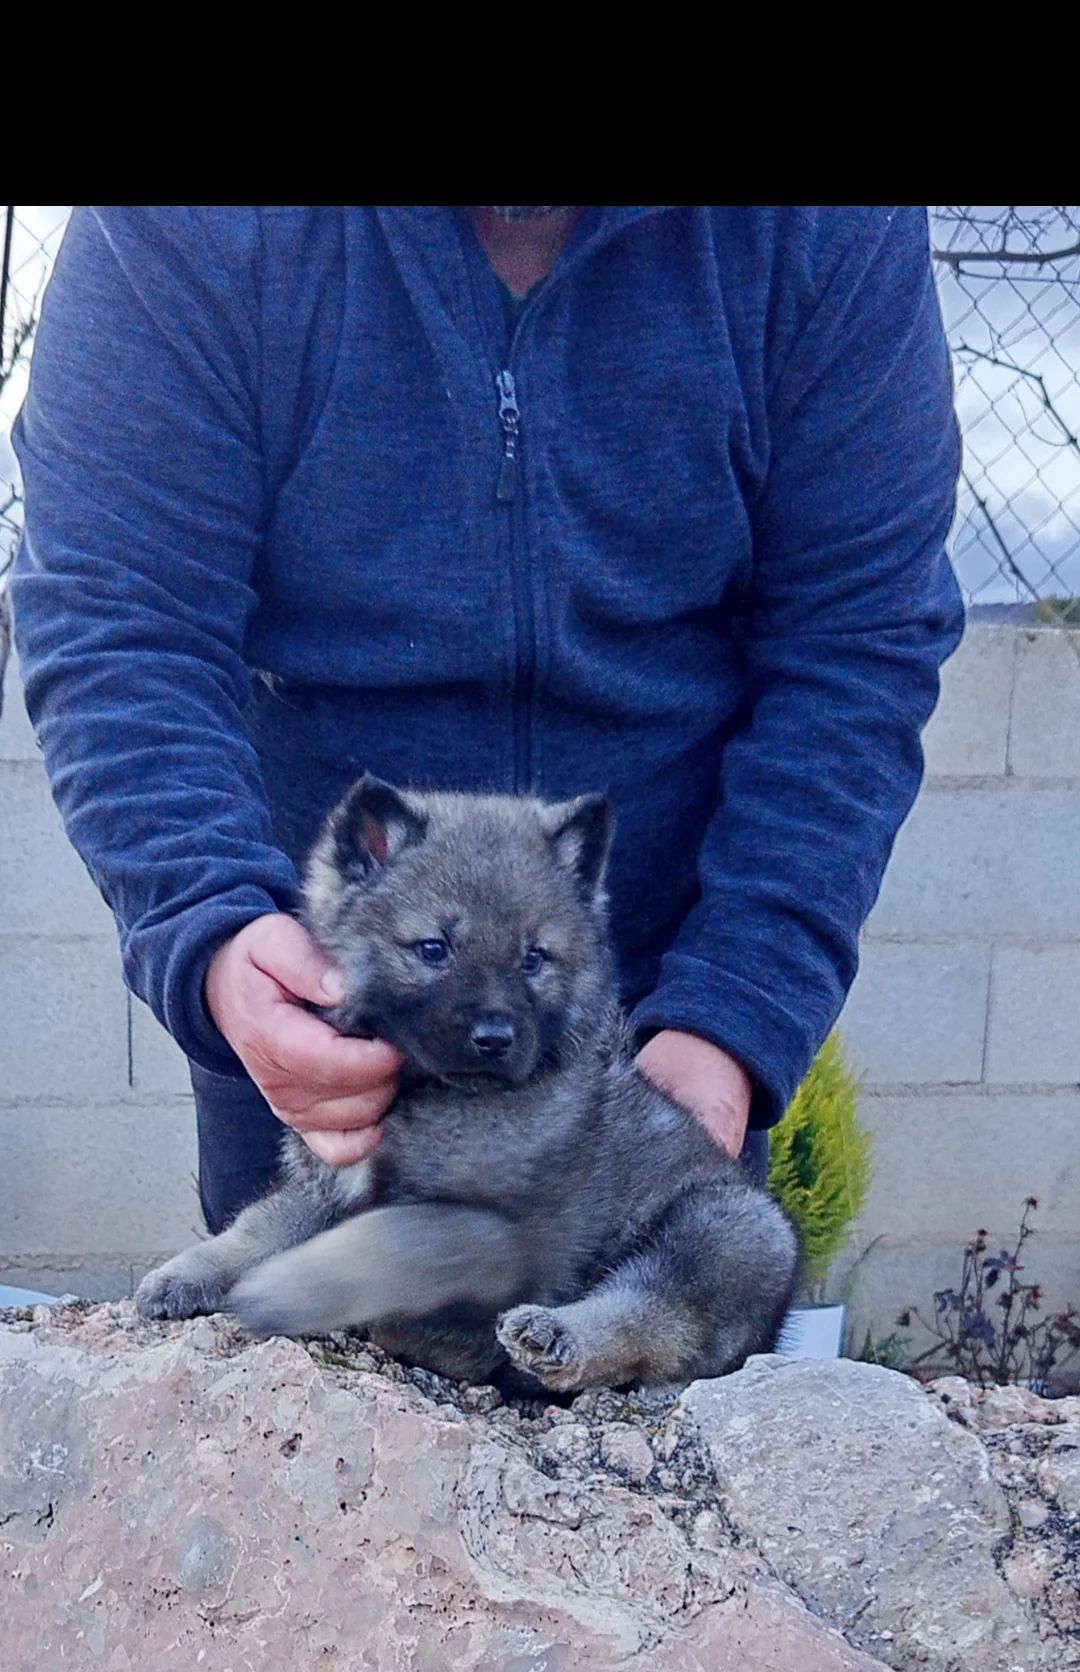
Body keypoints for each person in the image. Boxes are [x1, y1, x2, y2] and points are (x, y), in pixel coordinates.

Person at [10, 207, 963, 1232]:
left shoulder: (826, 229)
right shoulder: (180, 225)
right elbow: (121, 611)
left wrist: (734, 1014)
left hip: (657, 1034)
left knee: (625, 1363)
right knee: (304, 1357)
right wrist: (214, 928)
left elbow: (856, 642)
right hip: (331, 1009)